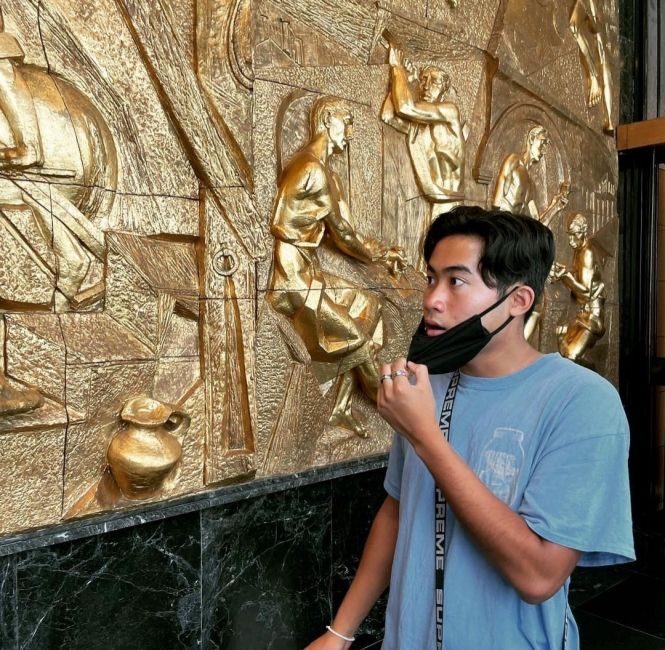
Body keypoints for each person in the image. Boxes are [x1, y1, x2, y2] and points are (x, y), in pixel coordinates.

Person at [306, 206, 634, 649]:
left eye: (456, 281)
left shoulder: (582, 401)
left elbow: (539, 576)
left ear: (518, 301)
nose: (432, 299)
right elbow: (398, 509)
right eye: (431, 278)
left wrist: (425, 436)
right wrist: (340, 633)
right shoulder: (427, 386)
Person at [267, 95, 406, 437]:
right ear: (328, 120)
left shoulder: (322, 171)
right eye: (347, 122)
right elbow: (342, 234)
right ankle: (392, 409)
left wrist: (380, 253)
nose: (351, 132)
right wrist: (377, 255)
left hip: (308, 269)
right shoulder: (311, 169)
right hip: (292, 279)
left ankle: (341, 408)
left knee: (368, 304)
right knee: (356, 337)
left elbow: (344, 231)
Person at [551, 212, 607, 366]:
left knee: (570, 355)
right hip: (581, 315)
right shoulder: (579, 249)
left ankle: (590, 376)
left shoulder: (587, 252)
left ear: (583, 232)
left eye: (574, 235)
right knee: (562, 350)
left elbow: (586, 293)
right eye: (569, 235)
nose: (570, 241)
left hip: (592, 318)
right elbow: (582, 277)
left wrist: (565, 276)